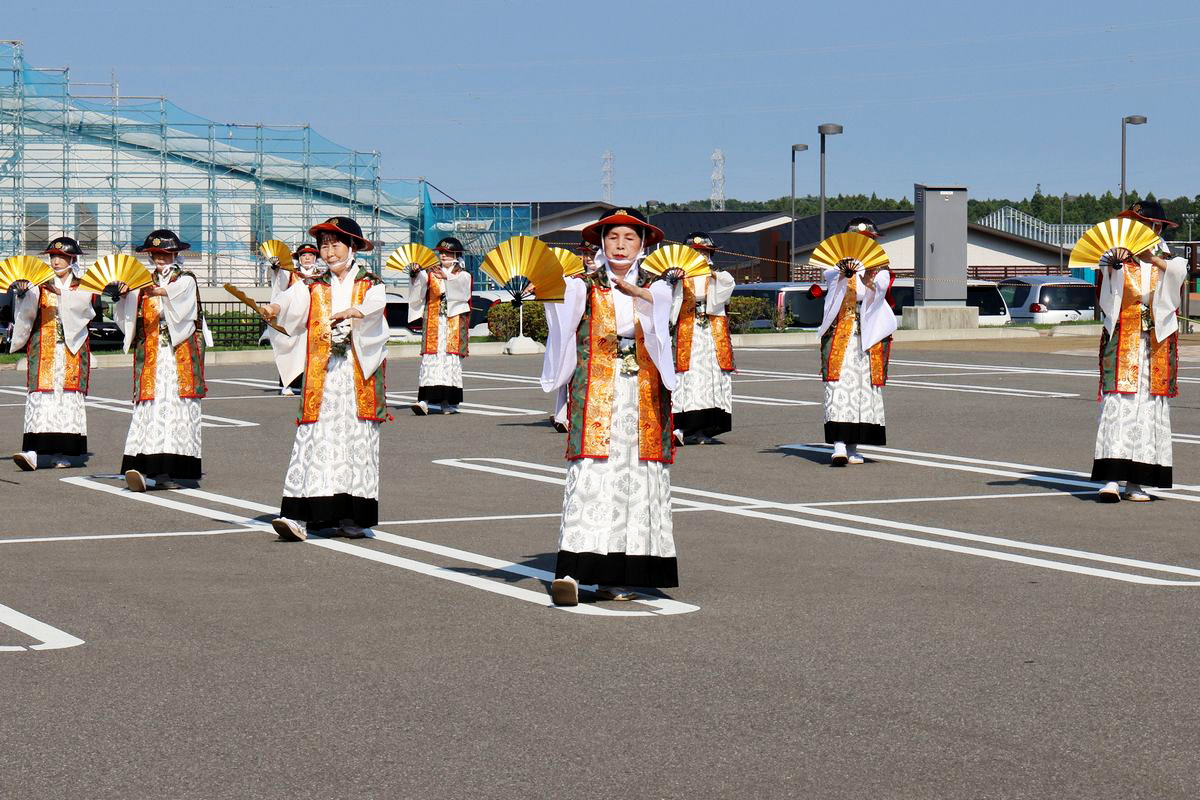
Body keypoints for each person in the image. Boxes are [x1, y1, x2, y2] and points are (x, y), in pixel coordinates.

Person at [540, 208, 677, 605]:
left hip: (643, 390)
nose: (620, 246)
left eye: (629, 239)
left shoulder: (658, 284)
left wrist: (643, 297)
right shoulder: (584, 284)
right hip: (598, 389)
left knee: (637, 473)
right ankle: (572, 568)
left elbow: (668, 308)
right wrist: (548, 294)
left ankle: (621, 573)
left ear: (643, 244)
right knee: (592, 472)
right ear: (601, 242)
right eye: (613, 237)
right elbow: (563, 323)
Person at [259, 216, 388, 540]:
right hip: (324, 378)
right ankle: (301, 516)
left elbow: (377, 305)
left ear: (353, 246)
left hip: (356, 376)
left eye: (335, 244)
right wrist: (274, 308)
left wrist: (356, 312)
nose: (329, 252)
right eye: (324, 245)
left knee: (354, 443)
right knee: (316, 440)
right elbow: (292, 301)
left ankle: (351, 517)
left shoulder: (369, 283)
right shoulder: (315, 285)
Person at [1092, 200, 1188, 501]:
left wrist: (1154, 260)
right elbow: (1105, 295)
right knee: (1118, 402)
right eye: (1138, 222)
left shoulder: (1168, 257)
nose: (1145, 228)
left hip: (1155, 340)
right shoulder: (1118, 253)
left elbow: (1178, 278)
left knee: (1149, 404)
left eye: (1149, 224)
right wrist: (1112, 266)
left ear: (1158, 227)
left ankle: (1137, 481)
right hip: (1125, 336)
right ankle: (1110, 479)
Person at [115, 229, 209, 491]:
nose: (161, 259)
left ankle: (171, 470)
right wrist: (124, 295)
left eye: (166, 254)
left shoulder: (186, 279)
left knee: (177, 405)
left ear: (175, 255)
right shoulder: (141, 280)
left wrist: (153, 291)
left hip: (177, 351)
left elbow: (179, 294)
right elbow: (128, 314)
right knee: (151, 405)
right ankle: (144, 465)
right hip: (152, 355)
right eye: (156, 254)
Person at [812, 217, 896, 466]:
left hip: (867, 334)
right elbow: (831, 278)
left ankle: (854, 446)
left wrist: (866, 277)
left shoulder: (879, 268)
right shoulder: (835, 265)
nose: (864, 244)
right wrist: (844, 272)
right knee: (839, 386)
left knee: (863, 387)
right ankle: (838, 445)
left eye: (868, 241)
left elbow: (876, 290)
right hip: (842, 331)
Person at [9, 237, 96, 470]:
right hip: (45, 347)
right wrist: (23, 294)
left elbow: (85, 309)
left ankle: (63, 451)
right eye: (52, 257)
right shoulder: (40, 283)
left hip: (71, 349)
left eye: (61, 257)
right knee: (42, 396)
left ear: (72, 259)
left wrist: (59, 293)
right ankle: (33, 451)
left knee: (66, 396)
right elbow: (28, 312)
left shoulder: (83, 285)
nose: (56, 261)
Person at [668, 232, 736, 445]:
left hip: (711, 329)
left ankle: (704, 427)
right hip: (687, 326)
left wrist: (711, 273)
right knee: (686, 375)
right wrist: (673, 281)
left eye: (703, 251)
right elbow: (667, 297)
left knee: (711, 374)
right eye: (694, 251)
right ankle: (679, 426)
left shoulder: (716, 273)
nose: (699, 254)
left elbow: (728, 284)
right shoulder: (678, 272)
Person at [407, 236, 471, 415]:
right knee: (432, 358)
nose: (443, 255)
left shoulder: (463, 275)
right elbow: (419, 287)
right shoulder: (431, 273)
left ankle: (447, 401)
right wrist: (415, 273)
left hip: (452, 322)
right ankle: (424, 400)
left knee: (449, 358)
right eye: (441, 253)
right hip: (435, 320)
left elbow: (463, 292)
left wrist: (448, 277)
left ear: (456, 255)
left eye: (448, 253)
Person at [547, 239, 601, 433]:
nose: (588, 259)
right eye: (585, 254)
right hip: (580, 332)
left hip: (603, 333)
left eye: (592, 254)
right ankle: (564, 415)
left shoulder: (608, 278)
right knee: (571, 371)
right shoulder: (576, 278)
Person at [267, 241, 325, 396]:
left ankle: (310, 383)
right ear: (299, 258)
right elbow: (280, 287)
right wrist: (278, 270)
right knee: (290, 349)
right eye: (303, 255)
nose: (307, 258)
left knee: (313, 351)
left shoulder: (321, 275)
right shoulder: (291, 273)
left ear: (315, 257)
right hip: (293, 319)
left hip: (314, 316)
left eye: (310, 255)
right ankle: (287, 384)